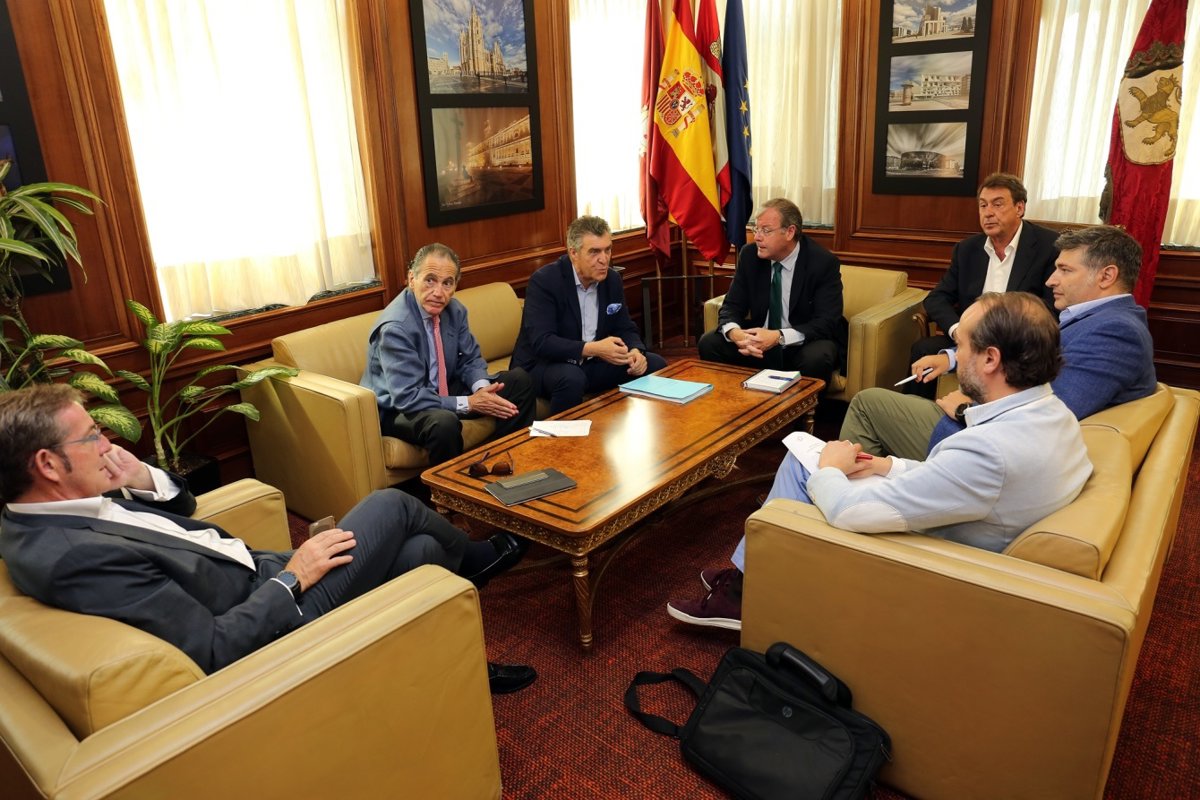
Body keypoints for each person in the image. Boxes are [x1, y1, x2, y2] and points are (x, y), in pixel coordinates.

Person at [0, 385, 535, 692]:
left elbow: (181, 512)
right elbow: (212, 650)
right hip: (276, 616)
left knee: (421, 552)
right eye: (92, 435)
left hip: (262, 572)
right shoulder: (72, 556)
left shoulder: (59, 506)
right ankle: (478, 560)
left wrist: (139, 476)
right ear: (47, 463)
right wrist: (294, 577)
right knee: (392, 504)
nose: (105, 442)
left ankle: (457, 668)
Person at [669, 292, 1092, 630]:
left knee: (802, 462)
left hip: (925, 560)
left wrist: (831, 468)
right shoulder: (1053, 414)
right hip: (956, 523)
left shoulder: (989, 451)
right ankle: (750, 576)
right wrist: (886, 466)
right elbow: (958, 480)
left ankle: (746, 596)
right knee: (818, 457)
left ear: (991, 359)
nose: (955, 356)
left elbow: (853, 514)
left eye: (961, 346)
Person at [842, 224, 1157, 461]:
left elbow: (1050, 417)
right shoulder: (1100, 319)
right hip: (992, 428)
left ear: (1106, 276)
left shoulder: (1115, 333)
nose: (1051, 280)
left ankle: (847, 506)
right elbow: (1021, 352)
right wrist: (951, 358)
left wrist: (964, 410)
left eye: (1064, 270)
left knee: (868, 403)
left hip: (989, 444)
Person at [361, 243, 536, 467]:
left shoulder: (455, 311)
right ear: (412, 279)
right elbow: (407, 397)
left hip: (441, 389)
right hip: (399, 409)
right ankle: (450, 487)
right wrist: (469, 403)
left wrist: (482, 391)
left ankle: (505, 464)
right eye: (430, 280)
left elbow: (470, 358)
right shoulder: (396, 328)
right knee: (444, 423)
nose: (438, 292)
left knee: (520, 381)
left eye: (447, 283)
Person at [907, 172, 1059, 399]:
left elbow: (1051, 309)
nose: (988, 213)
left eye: (998, 204)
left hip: (1016, 342)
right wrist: (959, 331)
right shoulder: (967, 249)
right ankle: (913, 414)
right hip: (970, 336)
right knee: (923, 349)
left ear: (1019, 208)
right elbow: (936, 298)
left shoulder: (1048, 246)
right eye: (983, 205)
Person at [511, 215, 667, 414]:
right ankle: (561, 435)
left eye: (607, 250)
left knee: (654, 364)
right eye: (594, 252)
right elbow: (543, 342)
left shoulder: (612, 280)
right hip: (543, 366)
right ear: (573, 253)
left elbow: (625, 327)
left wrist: (637, 351)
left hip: (590, 363)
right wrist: (594, 349)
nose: (604, 259)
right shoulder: (545, 282)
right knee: (571, 378)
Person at [697, 198, 846, 384]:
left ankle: (806, 404)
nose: (757, 237)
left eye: (766, 231)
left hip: (800, 343)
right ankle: (733, 399)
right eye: (756, 229)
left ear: (790, 232)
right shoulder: (750, 255)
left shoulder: (822, 263)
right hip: (758, 344)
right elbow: (732, 306)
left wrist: (778, 337)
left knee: (818, 356)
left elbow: (827, 321)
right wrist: (736, 334)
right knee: (709, 343)